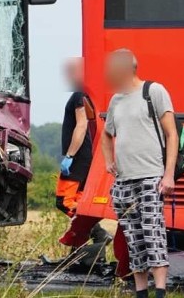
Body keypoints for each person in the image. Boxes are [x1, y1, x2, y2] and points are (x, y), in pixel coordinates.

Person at [101, 49, 177, 298]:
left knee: (153, 234)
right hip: (124, 181)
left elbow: (171, 134)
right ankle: (141, 293)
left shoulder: (153, 92)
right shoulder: (115, 100)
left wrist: (168, 175)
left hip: (150, 177)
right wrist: (109, 160)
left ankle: (161, 293)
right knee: (135, 241)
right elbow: (106, 134)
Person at [55, 58, 110, 243]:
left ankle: (98, 233)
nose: (67, 75)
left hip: (78, 157)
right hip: (86, 157)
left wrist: (70, 155)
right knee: (80, 202)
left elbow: (81, 126)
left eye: (72, 71)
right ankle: (81, 247)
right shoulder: (88, 95)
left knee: (64, 201)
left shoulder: (79, 95)